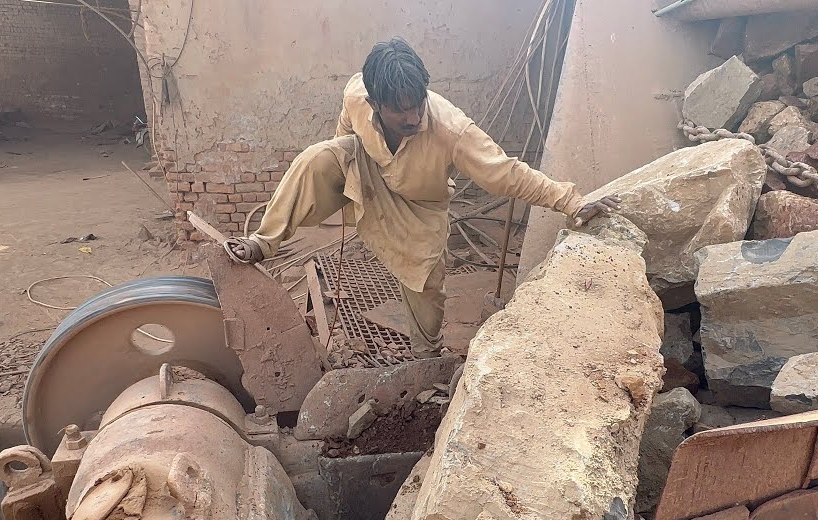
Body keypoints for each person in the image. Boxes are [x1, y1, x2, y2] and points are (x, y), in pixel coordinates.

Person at [227, 37, 619, 358]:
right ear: (376, 103)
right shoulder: (357, 95)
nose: (414, 117)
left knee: (425, 280)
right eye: (401, 111)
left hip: (421, 206)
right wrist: (346, 174)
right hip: (369, 171)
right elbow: (346, 126)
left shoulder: (451, 130)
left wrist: (570, 201)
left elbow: (506, 172)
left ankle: (425, 355)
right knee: (317, 158)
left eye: (418, 104)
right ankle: (263, 242)